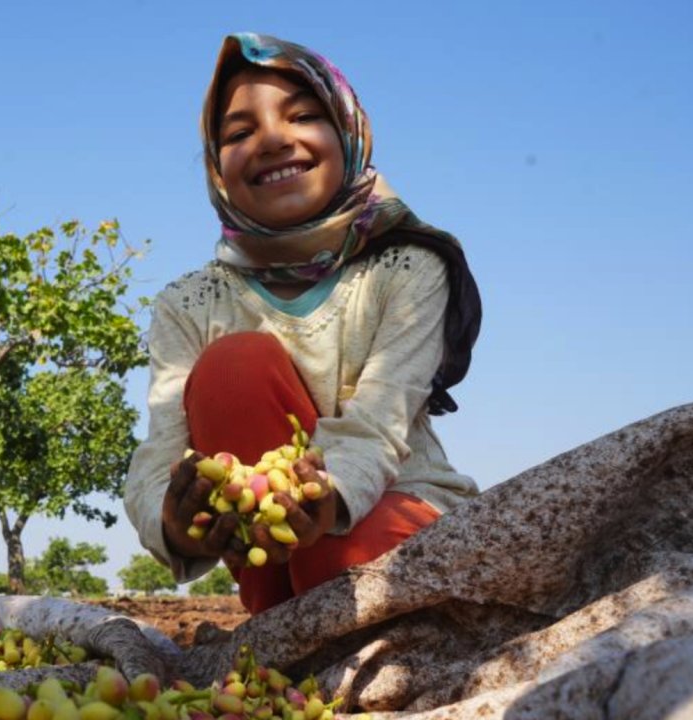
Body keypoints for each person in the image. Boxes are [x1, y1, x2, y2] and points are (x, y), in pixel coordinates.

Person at [123, 32, 483, 615]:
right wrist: (174, 520)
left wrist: (325, 499)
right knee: (235, 366)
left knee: (350, 554)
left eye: (303, 116)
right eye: (238, 133)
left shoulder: (408, 266)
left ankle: (319, 601)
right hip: (268, 559)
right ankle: (282, 613)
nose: (270, 139)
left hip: (391, 506)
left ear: (348, 132)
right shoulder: (187, 304)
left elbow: (377, 426)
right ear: (217, 169)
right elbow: (160, 452)